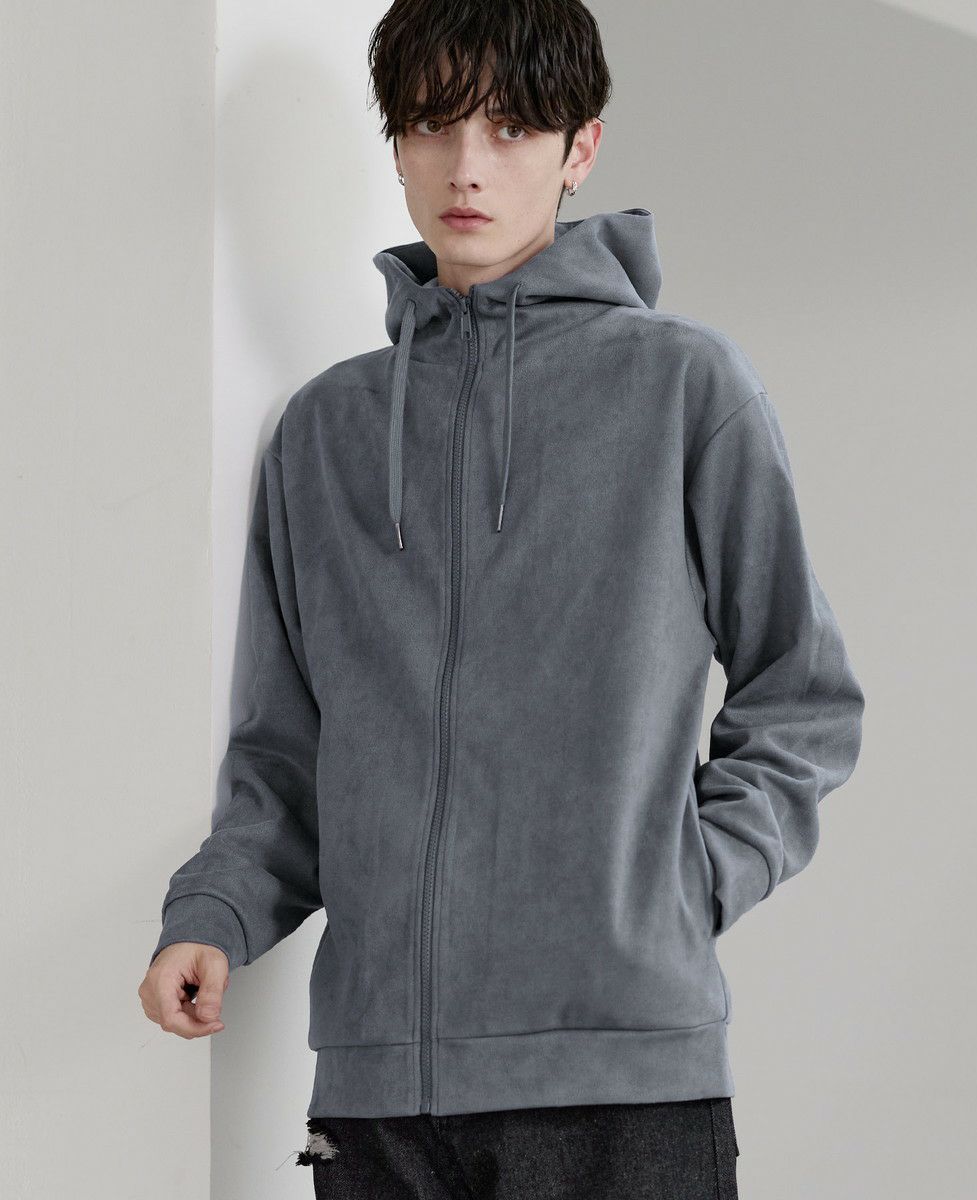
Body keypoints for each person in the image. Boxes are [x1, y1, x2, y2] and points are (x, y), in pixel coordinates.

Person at [138, 2, 865, 1196]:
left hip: (618, 1085)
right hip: (377, 1099)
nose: (466, 167)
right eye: (432, 125)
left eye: (512, 128)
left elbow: (804, 695)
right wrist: (212, 915)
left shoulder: (684, 389)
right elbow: (284, 754)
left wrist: (680, 885)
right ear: (396, 143)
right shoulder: (323, 433)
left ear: (580, 149)